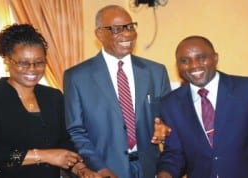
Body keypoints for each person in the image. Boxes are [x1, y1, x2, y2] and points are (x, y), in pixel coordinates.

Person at [0, 24, 102, 178]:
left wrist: (81, 169)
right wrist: (44, 156)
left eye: (39, 62)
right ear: (7, 60)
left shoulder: (53, 97)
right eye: (23, 63)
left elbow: (64, 143)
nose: (32, 69)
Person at [63, 4, 171, 178]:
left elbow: (168, 120)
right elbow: (76, 130)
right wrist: (99, 167)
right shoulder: (77, 77)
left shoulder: (156, 72)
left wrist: (166, 128)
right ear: (99, 34)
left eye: (130, 27)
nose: (127, 34)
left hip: (150, 168)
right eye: (117, 29)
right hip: (105, 169)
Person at [157, 35, 248, 178]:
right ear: (178, 65)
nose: (194, 65)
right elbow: (174, 153)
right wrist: (165, 174)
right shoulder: (170, 104)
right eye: (185, 61)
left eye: (201, 57)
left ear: (215, 58)